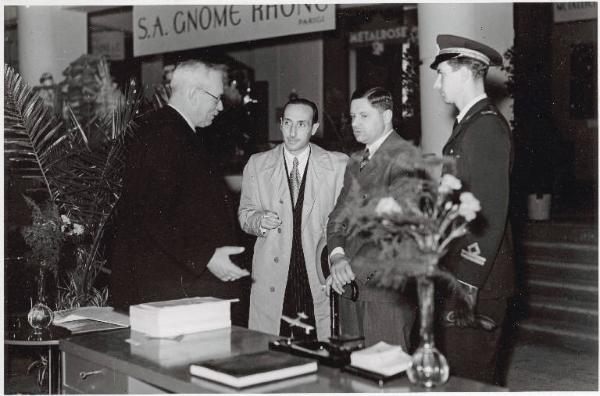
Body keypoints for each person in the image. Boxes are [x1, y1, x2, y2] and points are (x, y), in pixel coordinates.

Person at [109, 60, 251, 325]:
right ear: (194, 94)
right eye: (216, 98)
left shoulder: (173, 131)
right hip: (167, 290)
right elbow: (152, 213)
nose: (220, 107)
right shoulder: (166, 135)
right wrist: (206, 256)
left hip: (173, 284)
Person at [430, 34, 515, 385]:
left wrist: (467, 281)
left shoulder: (485, 130)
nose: (437, 85)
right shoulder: (469, 125)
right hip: (462, 276)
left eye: (443, 74)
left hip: (476, 281)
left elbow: (489, 214)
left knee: (471, 377)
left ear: (465, 73)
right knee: (461, 373)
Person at [238, 98, 348, 340]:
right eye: (287, 123)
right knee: (272, 347)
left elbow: (349, 220)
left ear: (314, 128)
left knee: (319, 343)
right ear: (280, 124)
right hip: (273, 273)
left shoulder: (338, 164)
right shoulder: (257, 164)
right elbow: (244, 215)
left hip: (316, 270)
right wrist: (258, 219)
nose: (292, 131)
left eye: (301, 124)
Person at [326, 87, 417, 350]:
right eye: (352, 116)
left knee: (388, 378)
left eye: (363, 116)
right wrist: (337, 256)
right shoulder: (357, 161)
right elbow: (337, 217)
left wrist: (349, 269)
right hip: (350, 284)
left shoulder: (405, 158)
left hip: (383, 292)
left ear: (387, 115)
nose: (355, 123)